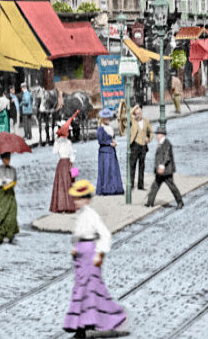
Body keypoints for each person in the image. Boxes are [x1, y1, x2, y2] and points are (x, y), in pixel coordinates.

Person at [63, 179, 128, 338]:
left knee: (90, 290)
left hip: (90, 256)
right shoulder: (80, 216)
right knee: (82, 290)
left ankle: (87, 326)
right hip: (80, 258)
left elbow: (105, 234)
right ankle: (83, 325)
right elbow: (78, 235)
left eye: (79, 199)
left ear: (86, 199)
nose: (76, 202)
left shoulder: (91, 215)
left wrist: (100, 253)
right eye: (75, 199)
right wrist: (74, 248)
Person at [145, 126, 183, 209]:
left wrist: (161, 166)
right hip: (160, 171)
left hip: (166, 171)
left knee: (172, 187)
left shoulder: (166, 143)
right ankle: (149, 202)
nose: (157, 136)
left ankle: (180, 202)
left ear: (162, 135)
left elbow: (166, 156)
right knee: (155, 186)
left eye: (158, 134)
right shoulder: (161, 143)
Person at [50, 115, 78, 214]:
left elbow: (57, 152)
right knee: (65, 184)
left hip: (64, 163)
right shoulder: (64, 142)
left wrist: (56, 141)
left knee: (64, 184)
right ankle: (65, 205)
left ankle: (64, 205)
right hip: (65, 163)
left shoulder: (64, 142)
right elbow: (57, 152)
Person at [95, 108, 124, 196]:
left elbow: (112, 138)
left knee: (113, 169)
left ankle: (114, 188)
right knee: (106, 170)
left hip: (112, 152)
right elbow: (100, 141)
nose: (107, 120)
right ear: (102, 119)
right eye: (105, 118)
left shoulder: (110, 128)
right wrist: (110, 143)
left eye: (108, 118)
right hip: (104, 152)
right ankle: (106, 189)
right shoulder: (100, 129)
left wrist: (114, 142)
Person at [0, 152, 18, 245]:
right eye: (5, 159)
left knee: (11, 214)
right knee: (0, 215)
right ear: (2, 159)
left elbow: (15, 180)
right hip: (2, 194)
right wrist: (1, 182)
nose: (7, 161)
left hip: (10, 194)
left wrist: (12, 183)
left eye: (9, 159)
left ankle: (10, 234)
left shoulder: (13, 170)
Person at [129, 105, 152, 192]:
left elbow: (151, 132)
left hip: (143, 146)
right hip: (135, 145)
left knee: (142, 166)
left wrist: (148, 139)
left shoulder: (146, 121)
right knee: (132, 165)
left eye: (140, 112)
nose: (139, 114)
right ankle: (131, 185)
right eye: (137, 113)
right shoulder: (133, 121)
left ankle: (140, 185)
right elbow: (128, 114)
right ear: (134, 114)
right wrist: (135, 107)